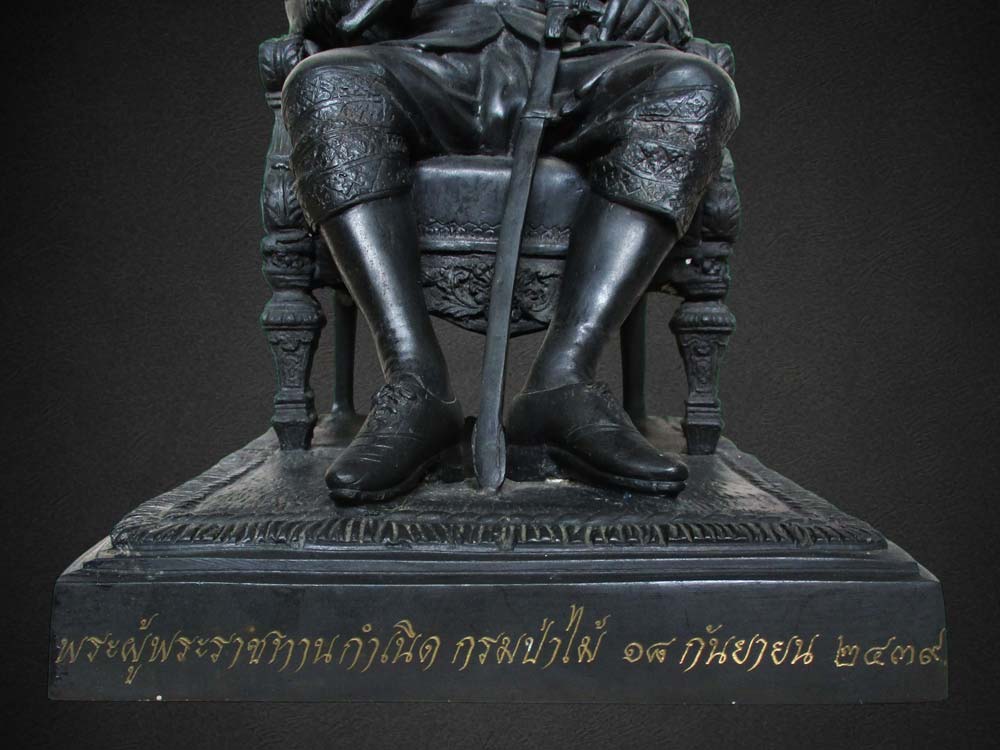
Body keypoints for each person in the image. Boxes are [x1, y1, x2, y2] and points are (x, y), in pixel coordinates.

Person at [281, 0, 739, 503]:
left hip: (574, 62)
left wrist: (657, 8)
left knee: (696, 86)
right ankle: (415, 381)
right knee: (323, 83)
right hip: (426, 64)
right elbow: (314, 12)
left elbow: (670, 11)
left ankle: (562, 380)